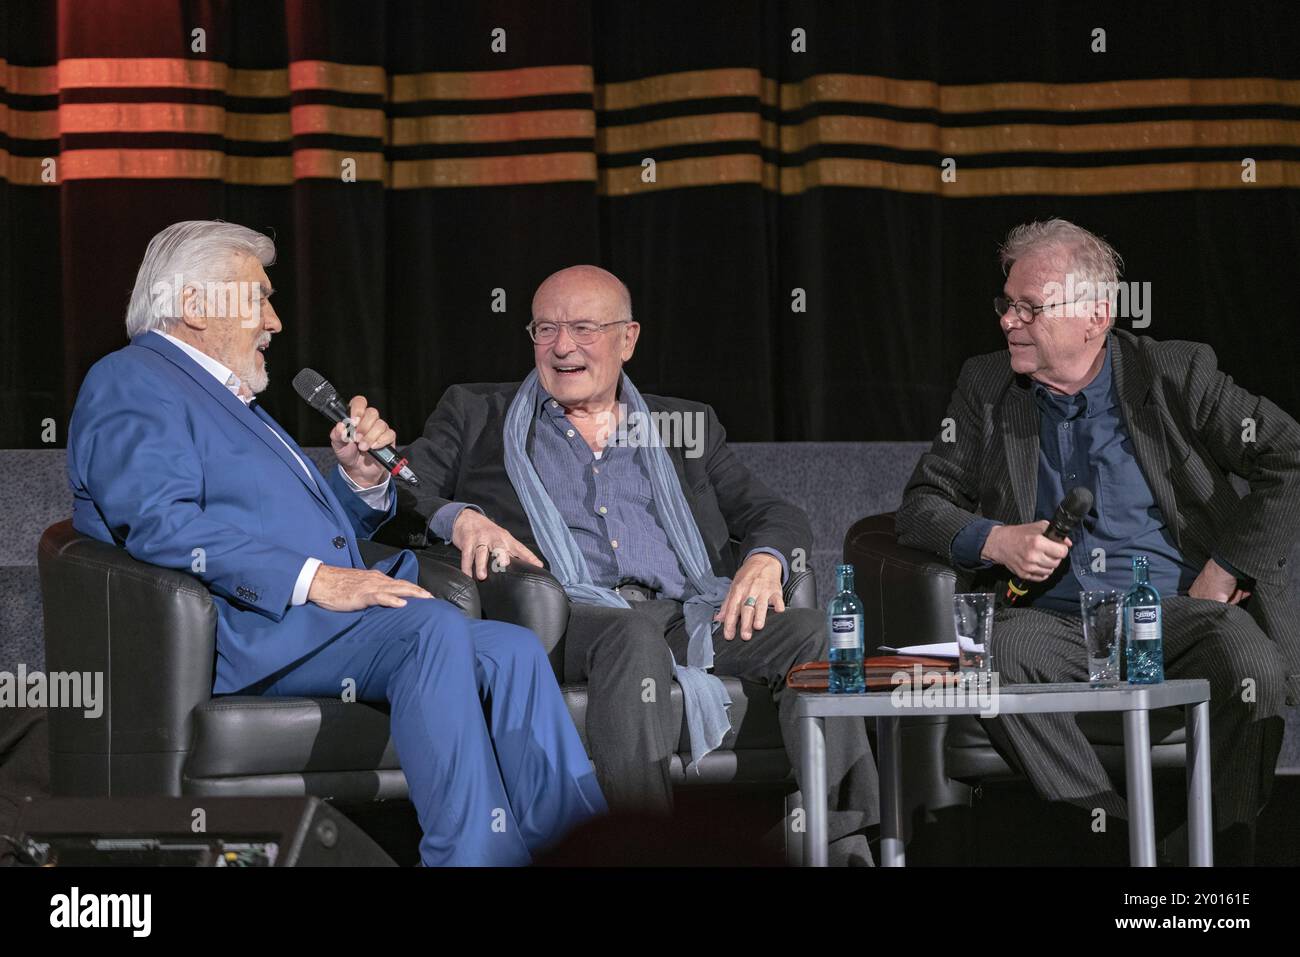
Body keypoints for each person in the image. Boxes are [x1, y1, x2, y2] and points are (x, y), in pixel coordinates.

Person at [66, 221, 606, 866]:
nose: (275, 321)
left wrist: (358, 478)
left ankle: (581, 851)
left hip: (322, 625)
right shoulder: (131, 380)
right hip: (254, 628)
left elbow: (293, 525)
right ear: (195, 306)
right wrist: (317, 578)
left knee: (512, 649)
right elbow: (159, 522)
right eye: (260, 298)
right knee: (429, 627)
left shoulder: (229, 399)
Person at [398, 265, 879, 864]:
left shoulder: (688, 426)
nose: (562, 346)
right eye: (545, 329)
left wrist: (766, 558)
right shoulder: (476, 414)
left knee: (817, 633)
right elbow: (403, 488)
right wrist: (459, 516)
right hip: (570, 619)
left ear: (628, 339)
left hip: (688, 615)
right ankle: (643, 849)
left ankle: (839, 843)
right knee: (630, 635)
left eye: (582, 328)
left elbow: (772, 511)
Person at [896, 218, 1300, 863]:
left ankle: (1210, 858)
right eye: (1007, 304)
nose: (1008, 322)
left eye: (1030, 307)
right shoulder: (987, 386)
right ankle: (1115, 841)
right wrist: (994, 539)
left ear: (1095, 316)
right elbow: (920, 506)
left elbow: (1290, 456)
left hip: (1176, 610)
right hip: (1052, 619)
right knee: (997, 654)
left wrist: (1228, 569)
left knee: (1250, 665)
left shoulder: (1175, 373)